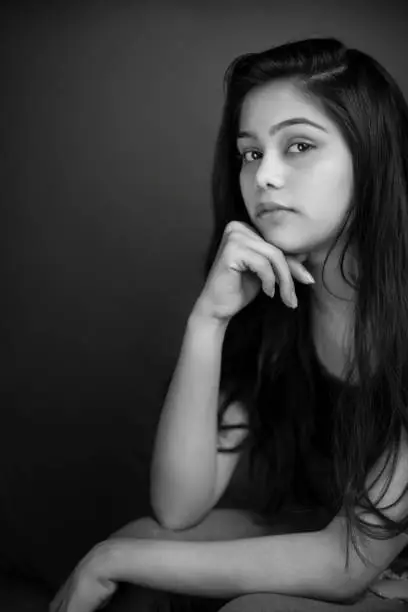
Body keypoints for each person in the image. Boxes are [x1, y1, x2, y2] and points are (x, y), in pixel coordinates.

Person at [49, 36, 408, 612]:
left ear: (372, 157)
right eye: (250, 152)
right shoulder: (271, 307)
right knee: (145, 545)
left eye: (297, 145)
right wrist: (208, 320)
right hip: (332, 543)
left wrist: (106, 558)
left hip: (373, 566)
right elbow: (178, 508)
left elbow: (346, 564)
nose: (264, 176)